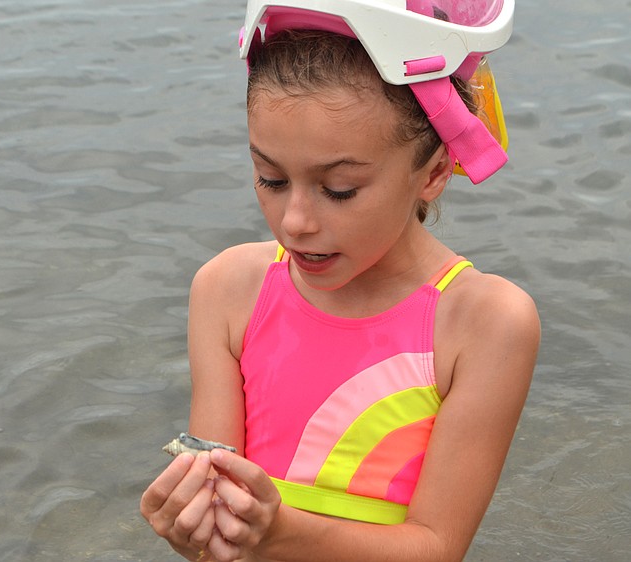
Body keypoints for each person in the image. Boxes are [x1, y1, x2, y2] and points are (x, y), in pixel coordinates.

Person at [141, 1, 540, 560]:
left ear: (432, 173)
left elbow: (436, 546)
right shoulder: (228, 289)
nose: (295, 222)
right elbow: (219, 518)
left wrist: (279, 532)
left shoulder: (483, 323)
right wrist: (199, 528)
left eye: (340, 189)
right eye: (270, 178)